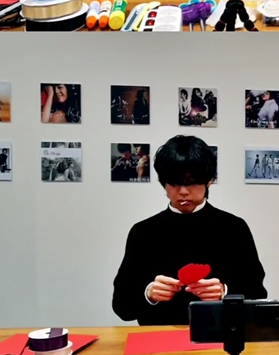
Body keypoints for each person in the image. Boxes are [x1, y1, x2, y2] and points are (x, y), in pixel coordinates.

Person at [113, 135, 267, 324]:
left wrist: (225, 292)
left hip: (219, 334)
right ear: (163, 183)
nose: (183, 192)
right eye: (174, 183)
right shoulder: (143, 232)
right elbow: (121, 306)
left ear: (209, 180)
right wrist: (149, 293)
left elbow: (258, 295)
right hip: (157, 336)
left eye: (192, 182)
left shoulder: (234, 228)